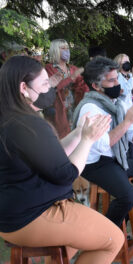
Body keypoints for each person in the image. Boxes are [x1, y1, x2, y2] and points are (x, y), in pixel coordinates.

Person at [0, 56, 124, 263]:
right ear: (24, 87)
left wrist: (78, 133)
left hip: (11, 216)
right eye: (45, 84)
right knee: (113, 240)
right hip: (31, 216)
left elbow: (52, 155)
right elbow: (66, 175)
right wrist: (87, 140)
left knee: (74, 242)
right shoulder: (29, 125)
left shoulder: (10, 119)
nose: (49, 90)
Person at [72, 57, 133, 226]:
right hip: (94, 164)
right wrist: (126, 122)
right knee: (129, 196)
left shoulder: (116, 103)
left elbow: (131, 135)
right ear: (96, 86)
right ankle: (107, 234)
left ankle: (121, 225)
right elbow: (102, 144)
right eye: (112, 80)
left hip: (116, 159)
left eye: (117, 78)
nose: (118, 84)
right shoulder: (90, 108)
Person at [45, 39, 89, 138]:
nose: (67, 51)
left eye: (67, 48)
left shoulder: (73, 68)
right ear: (55, 50)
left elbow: (83, 88)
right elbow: (52, 88)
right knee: (61, 139)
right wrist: (72, 78)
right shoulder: (49, 68)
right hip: (58, 110)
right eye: (63, 48)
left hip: (74, 108)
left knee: (76, 136)